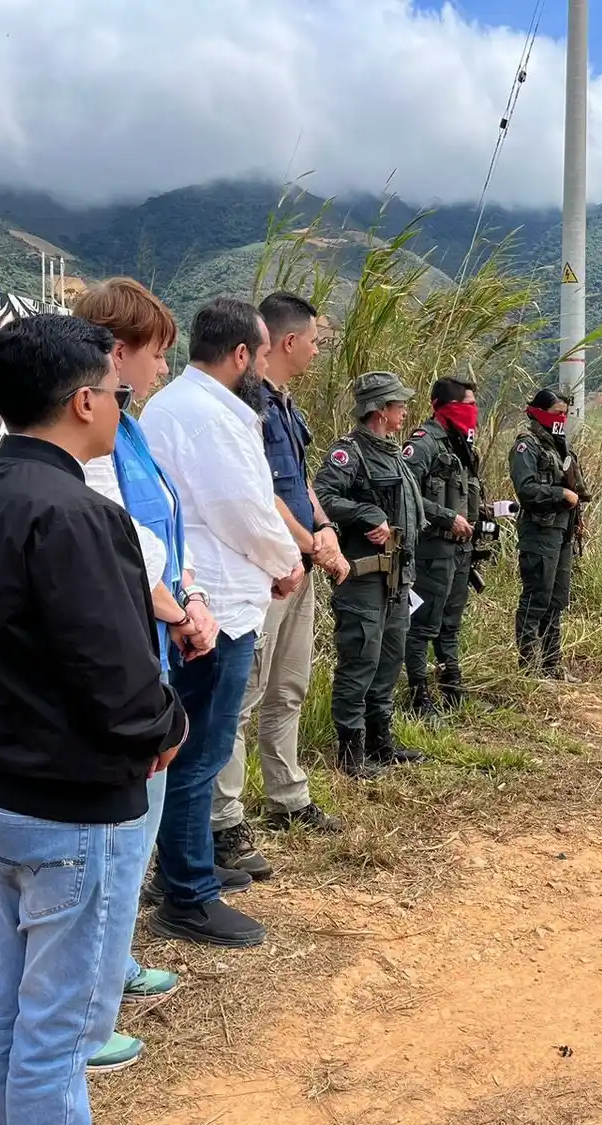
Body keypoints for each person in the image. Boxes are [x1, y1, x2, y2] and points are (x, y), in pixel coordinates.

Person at [0, 314, 188, 1124]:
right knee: (60, 1035)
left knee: (7, 1011)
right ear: (84, 400)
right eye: (118, 394)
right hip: (74, 810)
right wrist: (167, 726)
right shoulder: (76, 513)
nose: (123, 406)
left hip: (1, 793)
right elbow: (117, 677)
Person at [72, 278, 227, 1071]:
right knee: (115, 837)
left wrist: (188, 594)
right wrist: (177, 606)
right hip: (128, 651)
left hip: (155, 641)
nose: (163, 366)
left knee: (135, 832)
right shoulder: (82, 447)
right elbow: (117, 544)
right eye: (156, 351)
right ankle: (88, 1009)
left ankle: (114, 960)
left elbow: (165, 525)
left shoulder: (127, 432)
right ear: (115, 352)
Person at [140, 297, 303, 946]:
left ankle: (187, 867)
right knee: (200, 749)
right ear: (241, 355)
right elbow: (244, 507)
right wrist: (287, 559)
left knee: (199, 746)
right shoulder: (208, 417)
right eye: (261, 355)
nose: (263, 366)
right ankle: (185, 894)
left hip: (212, 596)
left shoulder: (185, 406)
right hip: (219, 605)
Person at [211, 292, 347, 863]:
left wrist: (323, 526)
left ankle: (287, 795)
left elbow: (296, 482)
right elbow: (257, 494)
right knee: (243, 695)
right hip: (266, 571)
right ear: (288, 342)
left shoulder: (284, 405)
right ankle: (224, 819)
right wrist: (305, 541)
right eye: (314, 340)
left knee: (288, 685)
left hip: (299, 561)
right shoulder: (246, 406)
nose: (317, 350)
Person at [314, 371, 428, 775]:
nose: (405, 412)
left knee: (390, 657)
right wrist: (365, 513)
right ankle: (350, 752)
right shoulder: (350, 454)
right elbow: (322, 496)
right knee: (360, 658)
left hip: (398, 577)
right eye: (399, 405)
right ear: (379, 411)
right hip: (364, 579)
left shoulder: (392, 452)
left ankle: (382, 741)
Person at [403, 375, 485, 714]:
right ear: (444, 407)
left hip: (461, 551)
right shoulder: (424, 443)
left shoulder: (461, 446)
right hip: (432, 549)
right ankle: (419, 696)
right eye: (465, 405)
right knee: (423, 624)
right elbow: (407, 494)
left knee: (451, 623)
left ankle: (452, 688)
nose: (472, 412)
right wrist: (445, 516)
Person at [509, 388, 589, 677]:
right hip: (540, 532)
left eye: (565, 414)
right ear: (539, 412)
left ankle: (552, 665)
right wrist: (561, 494)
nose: (562, 419)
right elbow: (526, 489)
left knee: (556, 600)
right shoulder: (526, 445)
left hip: (562, 532)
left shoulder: (559, 445)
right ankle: (529, 669)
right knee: (536, 598)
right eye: (557, 413)